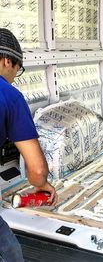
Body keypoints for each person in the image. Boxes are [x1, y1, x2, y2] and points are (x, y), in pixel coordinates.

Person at [0, 28, 58, 262]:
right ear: (7, 61)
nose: (15, 75)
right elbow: (36, 170)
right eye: (17, 69)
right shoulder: (11, 97)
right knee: (10, 253)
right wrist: (42, 185)